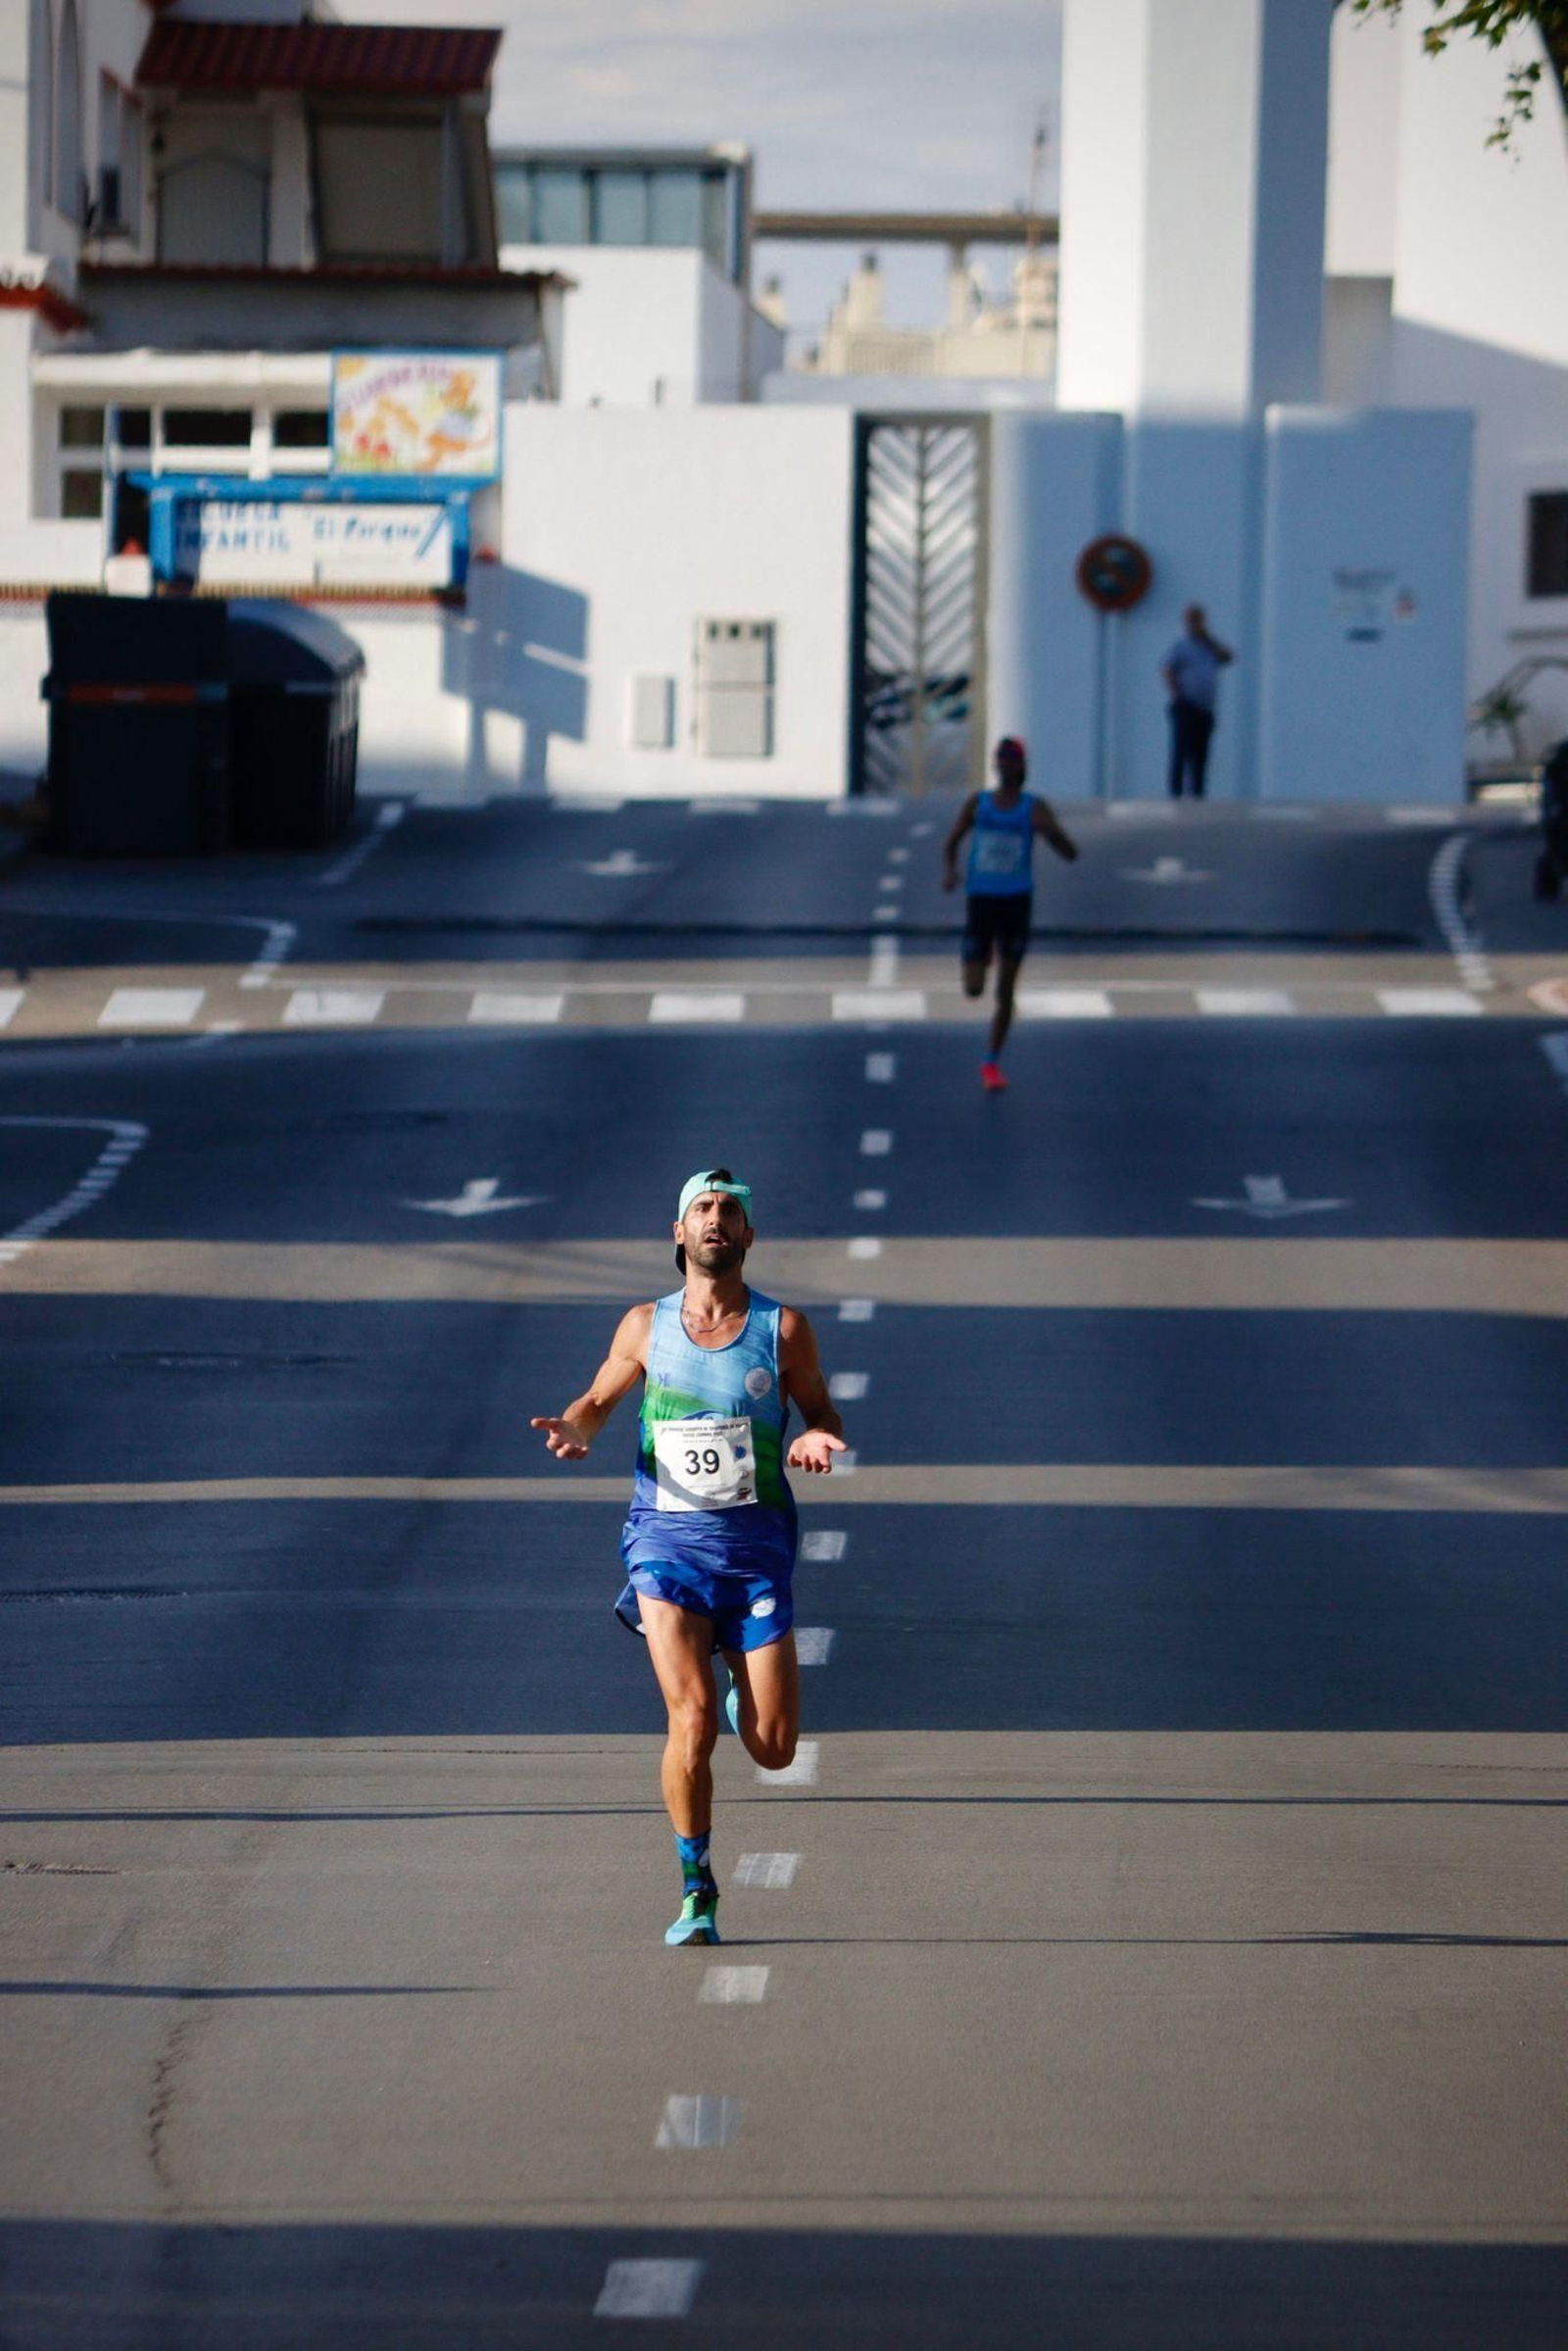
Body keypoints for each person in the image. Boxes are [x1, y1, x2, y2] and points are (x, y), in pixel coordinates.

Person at [530, 1168, 847, 1948]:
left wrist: (811, 1434)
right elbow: (598, 1400)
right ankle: (696, 1886)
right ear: (679, 1233)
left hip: (755, 1552)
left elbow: (821, 1408)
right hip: (665, 1547)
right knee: (690, 1718)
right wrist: (578, 1426)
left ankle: (747, 1706)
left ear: (748, 1235)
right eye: (701, 1209)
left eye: (729, 1211)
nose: (715, 1219)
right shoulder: (646, 1325)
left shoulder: (784, 1330)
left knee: (773, 1749)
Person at [942, 735, 1079, 1092]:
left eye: (1011, 759)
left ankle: (991, 1062)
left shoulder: (1033, 808)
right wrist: (950, 872)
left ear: (1022, 766)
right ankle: (983, 955)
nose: (1004, 765)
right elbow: (951, 841)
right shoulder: (979, 804)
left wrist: (1051, 833)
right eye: (1000, 759)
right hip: (982, 901)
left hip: (1016, 903)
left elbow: (1070, 853)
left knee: (1006, 989)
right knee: (973, 989)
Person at [1161, 606, 1235, 799]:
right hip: (1186, 705)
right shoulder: (1181, 646)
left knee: (1201, 752)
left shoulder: (1209, 646)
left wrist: (1210, 640)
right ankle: (1175, 793)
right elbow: (1168, 669)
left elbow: (1228, 657)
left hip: (1205, 707)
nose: (1195, 624)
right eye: (1192, 620)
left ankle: (1198, 793)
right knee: (1181, 750)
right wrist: (1177, 693)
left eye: (1198, 620)